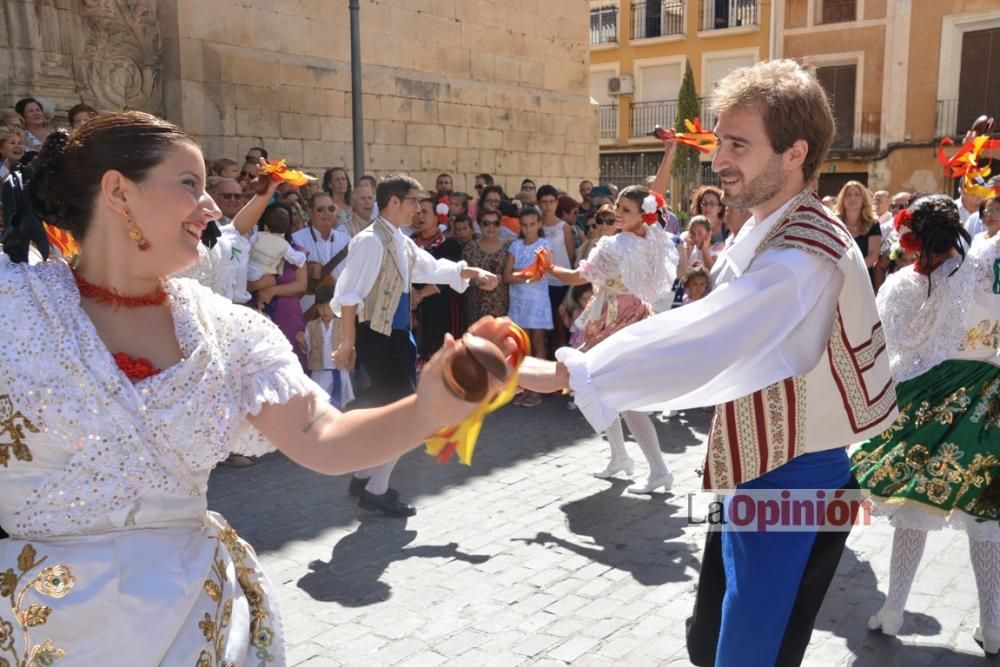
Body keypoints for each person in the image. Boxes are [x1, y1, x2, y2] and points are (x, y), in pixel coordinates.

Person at [0, 111, 506, 664]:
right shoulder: (14, 307)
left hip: (191, 623)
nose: (213, 206)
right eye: (189, 185)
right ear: (119, 191)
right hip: (34, 624)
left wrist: (430, 404)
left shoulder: (229, 331)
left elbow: (322, 436)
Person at [516, 60, 898, 667]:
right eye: (720, 139)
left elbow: (709, 336)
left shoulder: (804, 254)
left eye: (738, 144)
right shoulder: (777, 226)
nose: (719, 159)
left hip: (793, 476)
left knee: (748, 649)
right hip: (766, 464)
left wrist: (572, 372)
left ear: (795, 152)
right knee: (714, 635)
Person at [850, 195, 1000, 655]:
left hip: (925, 402)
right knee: (986, 514)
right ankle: (993, 624)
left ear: (911, 239)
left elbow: (887, 346)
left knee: (914, 503)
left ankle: (893, 609)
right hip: (988, 401)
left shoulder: (902, 286)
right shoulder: (985, 270)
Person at [332, 175, 499, 517]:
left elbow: (433, 268)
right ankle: (376, 489)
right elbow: (348, 296)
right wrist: (348, 344)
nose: (418, 208)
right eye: (413, 201)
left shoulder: (399, 240)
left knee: (387, 413)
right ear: (394, 201)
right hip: (379, 340)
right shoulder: (370, 242)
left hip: (396, 339)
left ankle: (362, 475)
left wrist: (473, 272)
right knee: (407, 417)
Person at [544, 185, 679, 494]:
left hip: (618, 319)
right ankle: (620, 456)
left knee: (623, 397)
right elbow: (656, 189)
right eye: (617, 206)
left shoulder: (615, 244)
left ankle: (658, 469)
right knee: (601, 387)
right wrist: (670, 149)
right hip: (626, 316)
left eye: (626, 210)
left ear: (642, 214)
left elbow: (581, 277)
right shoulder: (653, 236)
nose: (617, 212)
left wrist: (549, 269)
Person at [504, 206, 552, 407]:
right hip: (518, 301)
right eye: (524, 225)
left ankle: (536, 388)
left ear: (539, 224)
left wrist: (519, 274)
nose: (528, 228)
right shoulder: (515, 246)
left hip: (538, 301)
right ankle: (521, 386)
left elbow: (541, 273)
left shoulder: (545, 245)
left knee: (538, 343)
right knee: (521, 344)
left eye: (532, 224)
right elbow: (507, 276)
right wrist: (525, 276)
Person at [296, 284, 353, 410]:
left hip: (339, 371)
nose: (325, 311)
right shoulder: (311, 326)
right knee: (319, 403)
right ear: (316, 307)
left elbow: (351, 347)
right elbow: (307, 349)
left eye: (329, 307)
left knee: (340, 405)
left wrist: (350, 366)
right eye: (321, 307)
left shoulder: (343, 324)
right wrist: (301, 341)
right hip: (319, 371)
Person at [463, 209, 511, 322]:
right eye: (486, 223)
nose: (491, 227)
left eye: (495, 223)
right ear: (479, 225)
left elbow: (514, 273)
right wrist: (477, 280)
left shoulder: (509, 247)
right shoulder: (470, 248)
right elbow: (462, 274)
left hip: (502, 304)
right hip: (476, 304)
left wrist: (500, 279)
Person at [835, 180, 881, 288]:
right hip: (838, 278)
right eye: (848, 195)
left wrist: (854, 272)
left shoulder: (872, 224)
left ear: (863, 199)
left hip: (863, 278)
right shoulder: (834, 223)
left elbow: (873, 254)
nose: (852, 198)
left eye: (857, 194)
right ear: (842, 199)